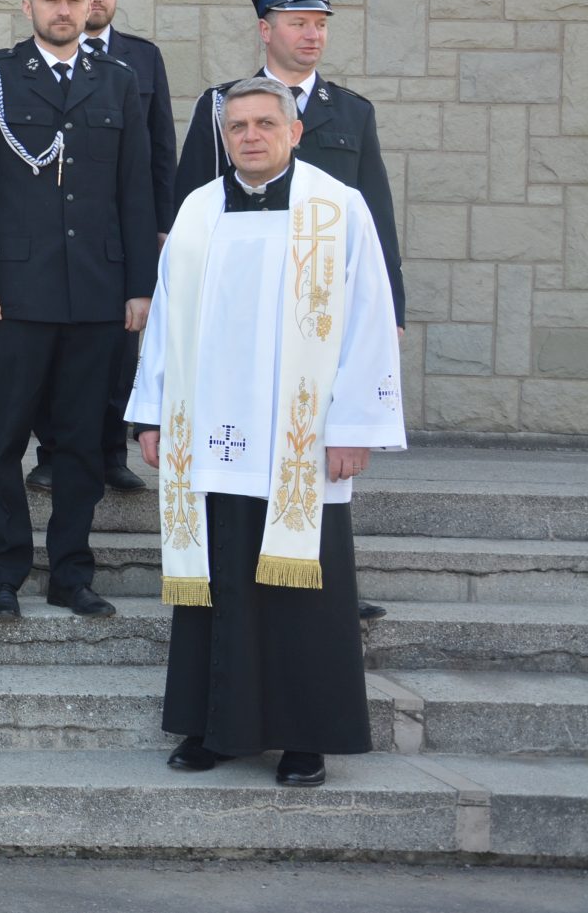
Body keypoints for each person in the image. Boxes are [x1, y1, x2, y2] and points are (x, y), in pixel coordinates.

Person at [128, 76, 405, 787]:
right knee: (217, 578)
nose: (250, 136)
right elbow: (166, 317)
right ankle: (214, 729)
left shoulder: (337, 208)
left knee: (300, 592)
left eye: (264, 124)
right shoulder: (198, 209)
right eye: (237, 126)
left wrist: (355, 425)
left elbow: (370, 317)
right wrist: (151, 412)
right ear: (224, 137)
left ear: (294, 131)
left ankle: (305, 739)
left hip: (298, 439)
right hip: (210, 433)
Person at [173, 0, 404, 624]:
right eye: (299, 22)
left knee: (316, 463)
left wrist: (393, 312)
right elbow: (191, 209)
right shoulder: (221, 105)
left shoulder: (351, 111)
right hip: (236, 333)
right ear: (265, 29)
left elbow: (376, 216)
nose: (312, 34)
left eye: (320, 24)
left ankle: (326, 587)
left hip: (316, 326)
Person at [0, 0, 157, 622]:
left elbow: (135, 191)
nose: (65, 9)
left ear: (91, 3)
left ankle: (71, 573)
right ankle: (2, 574)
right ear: (28, 5)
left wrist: (139, 286)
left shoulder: (118, 80)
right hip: (15, 293)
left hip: (96, 293)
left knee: (80, 443)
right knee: (2, 440)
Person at [26, 0, 176, 496]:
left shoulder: (140, 59)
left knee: (118, 352)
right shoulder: (23, 63)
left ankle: (112, 452)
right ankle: (52, 452)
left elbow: (158, 151)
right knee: (51, 355)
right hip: (49, 239)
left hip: (116, 236)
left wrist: (161, 226)